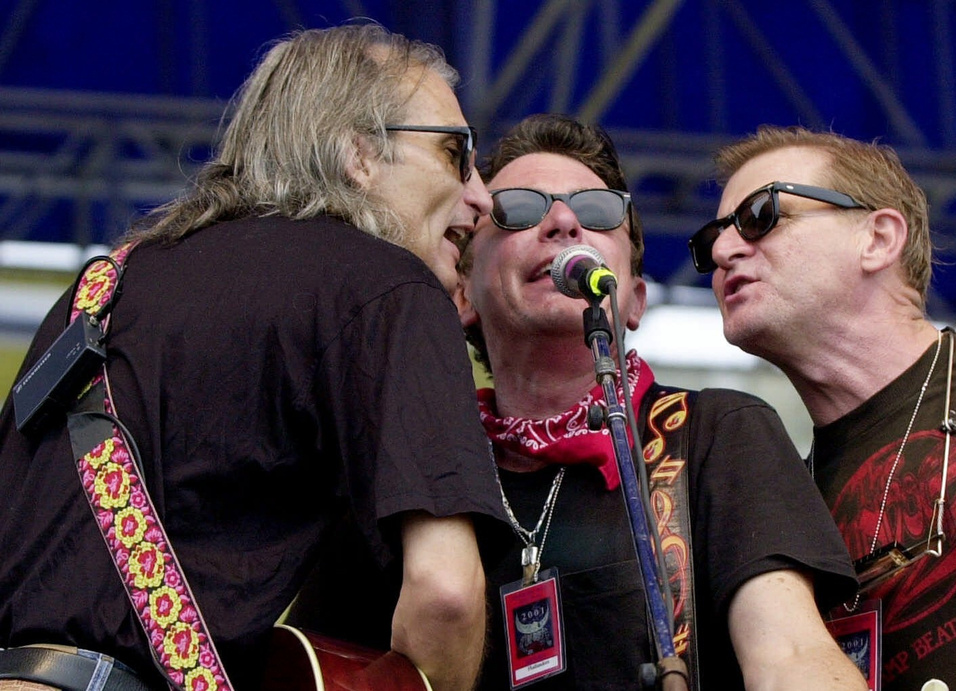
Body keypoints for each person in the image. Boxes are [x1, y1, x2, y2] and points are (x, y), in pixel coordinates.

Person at [0, 23, 506, 691]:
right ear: (358, 153)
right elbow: (446, 594)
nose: (482, 196)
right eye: (454, 152)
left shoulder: (98, 294)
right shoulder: (387, 287)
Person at [454, 113, 865, 691]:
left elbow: (792, 658)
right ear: (461, 294)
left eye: (598, 211)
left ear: (634, 300)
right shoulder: (430, 471)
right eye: (518, 208)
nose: (564, 221)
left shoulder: (718, 433)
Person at [695, 124, 956, 691]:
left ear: (877, 238)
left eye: (760, 215)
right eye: (710, 240)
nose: (723, 252)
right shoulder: (779, 507)